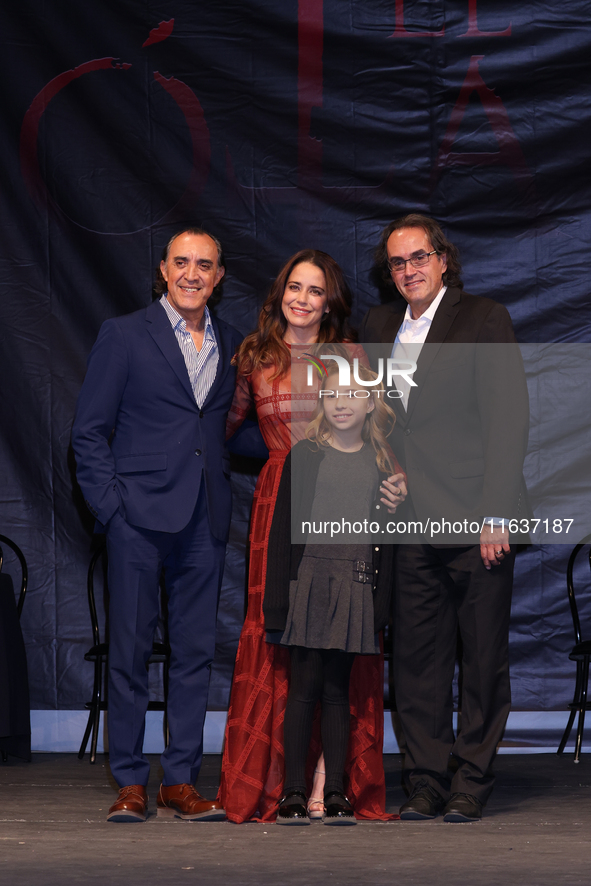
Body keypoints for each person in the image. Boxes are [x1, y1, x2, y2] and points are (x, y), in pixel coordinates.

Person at [218, 250, 401, 822]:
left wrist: (391, 482)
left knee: (342, 637)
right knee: (280, 633)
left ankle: (330, 776)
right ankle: (277, 780)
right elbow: (227, 429)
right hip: (279, 500)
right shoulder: (254, 355)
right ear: (280, 294)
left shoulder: (345, 356)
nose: (302, 298)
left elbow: (373, 427)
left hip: (344, 497)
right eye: (293, 287)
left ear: (330, 301)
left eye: (315, 290)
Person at [359, 214, 529, 823]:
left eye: (419, 257)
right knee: (415, 662)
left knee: (481, 656)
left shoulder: (483, 318)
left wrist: (495, 513)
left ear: (443, 260)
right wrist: (386, 471)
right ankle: (426, 780)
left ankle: (472, 780)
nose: (409, 270)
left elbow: (508, 420)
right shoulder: (380, 325)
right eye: (398, 263)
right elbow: (376, 418)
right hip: (409, 522)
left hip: (476, 518)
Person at [72, 228, 240, 823]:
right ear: (163, 270)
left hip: (204, 519)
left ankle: (181, 781)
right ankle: (130, 782)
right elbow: (89, 430)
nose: (193, 273)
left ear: (219, 277)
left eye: (205, 265)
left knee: (194, 655)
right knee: (130, 654)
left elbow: (225, 430)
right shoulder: (123, 334)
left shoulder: (235, 344)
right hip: (137, 520)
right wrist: (112, 510)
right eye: (182, 263)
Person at [265, 365, 405, 825]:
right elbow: (283, 533)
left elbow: (387, 538)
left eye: (352, 394)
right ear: (321, 402)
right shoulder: (305, 456)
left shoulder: (382, 463)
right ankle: (293, 791)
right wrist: (279, 602)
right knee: (303, 689)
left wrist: (379, 603)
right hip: (310, 582)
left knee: (335, 692)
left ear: (370, 404)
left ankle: (339, 791)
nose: (342, 402)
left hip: (356, 584)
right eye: (332, 394)